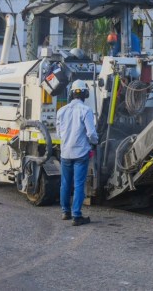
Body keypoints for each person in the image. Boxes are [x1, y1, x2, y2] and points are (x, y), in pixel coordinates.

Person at [56, 79, 98, 226]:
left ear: (71, 94)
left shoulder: (61, 111)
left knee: (65, 183)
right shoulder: (86, 110)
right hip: (80, 154)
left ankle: (65, 212)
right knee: (79, 184)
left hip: (65, 153)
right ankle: (76, 215)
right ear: (85, 94)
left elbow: (59, 134)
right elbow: (91, 133)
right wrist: (95, 142)